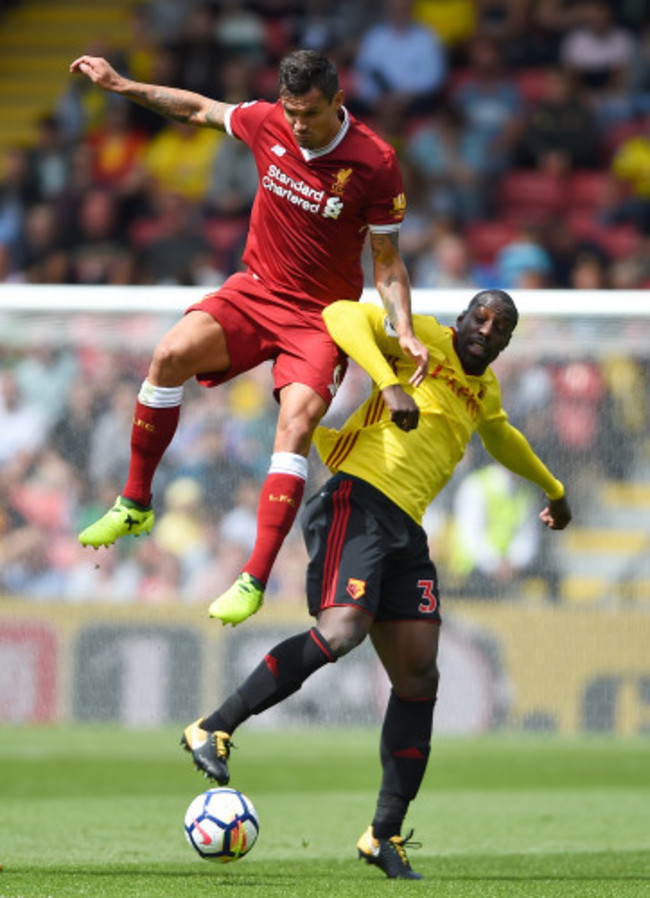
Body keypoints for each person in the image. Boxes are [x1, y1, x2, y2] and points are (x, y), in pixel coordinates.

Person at [180, 289, 572, 880]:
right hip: (356, 500)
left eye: (501, 326)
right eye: (480, 317)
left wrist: (555, 490)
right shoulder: (425, 340)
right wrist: (387, 380)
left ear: (508, 341)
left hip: (406, 530)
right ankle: (213, 726)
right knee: (341, 632)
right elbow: (339, 315)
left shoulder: (484, 390)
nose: (487, 330)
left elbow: (500, 435)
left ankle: (383, 835)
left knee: (419, 677)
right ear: (461, 319)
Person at [69, 49, 428, 625]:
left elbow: (386, 260)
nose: (297, 124)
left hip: (322, 317)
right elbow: (197, 109)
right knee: (168, 355)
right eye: (290, 111)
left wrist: (403, 328)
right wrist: (120, 84)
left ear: (338, 102)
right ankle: (134, 502)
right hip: (256, 291)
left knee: (297, 425)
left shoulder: (374, 161)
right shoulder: (267, 121)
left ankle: (252, 577)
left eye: (309, 113)